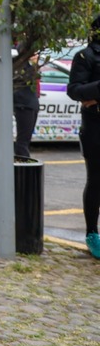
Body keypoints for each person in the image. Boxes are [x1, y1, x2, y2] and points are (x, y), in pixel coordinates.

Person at [66, 15, 100, 260]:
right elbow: (75, 90)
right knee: (96, 180)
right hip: (95, 126)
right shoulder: (85, 56)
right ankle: (92, 233)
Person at [13, 43, 40, 159]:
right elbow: (28, 79)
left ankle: (23, 159)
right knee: (23, 139)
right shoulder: (19, 65)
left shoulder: (28, 65)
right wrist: (34, 66)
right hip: (24, 104)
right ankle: (22, 161)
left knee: (26, 137)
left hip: (31, 103)